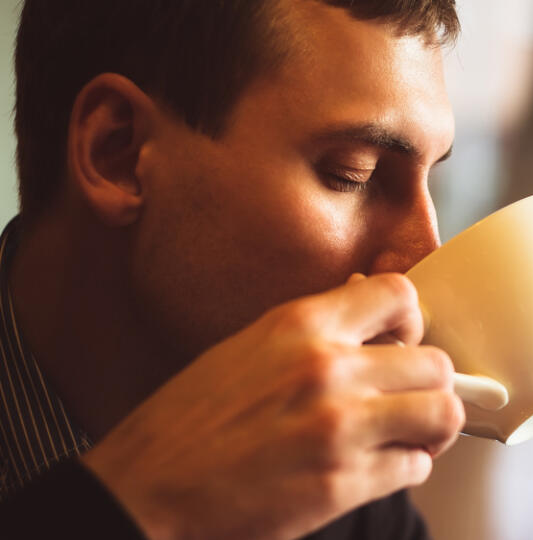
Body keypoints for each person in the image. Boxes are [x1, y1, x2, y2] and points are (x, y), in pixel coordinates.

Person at [0, 0, 465, 538]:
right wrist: (139, 504)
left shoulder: (336, 487)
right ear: (118, 153)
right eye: (352, 175)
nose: (421, 261)